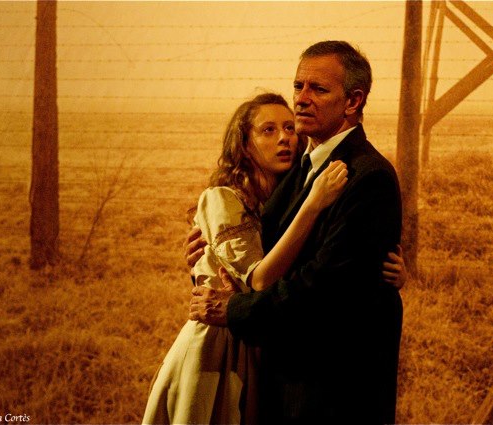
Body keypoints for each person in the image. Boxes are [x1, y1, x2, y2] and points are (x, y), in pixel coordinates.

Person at [189, 41, 403, 424]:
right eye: (298, 86)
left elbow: (323, 292)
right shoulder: (300, 167)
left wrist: (234, 309)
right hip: (284, 387)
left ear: (353, 101)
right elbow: (260, 249)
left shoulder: (367, 178)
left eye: (318, 89)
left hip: (332, 399)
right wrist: (207, 256)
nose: (302, 99)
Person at [143, 93, 350, 425]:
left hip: (262, 345)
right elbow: (259, 278)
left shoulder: (281, 202)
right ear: (244, 144)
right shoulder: (221, 199)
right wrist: (314, 204)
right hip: (217, 349)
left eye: (289, 128)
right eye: (268, 130)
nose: (284, 138)